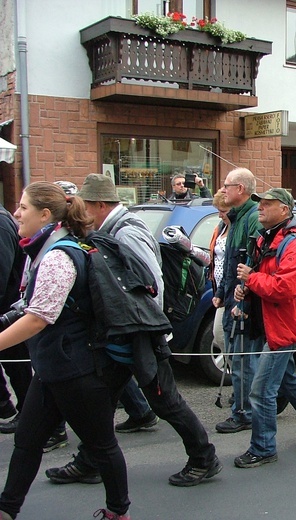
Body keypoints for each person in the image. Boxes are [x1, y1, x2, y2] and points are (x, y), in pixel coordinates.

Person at [46, 173, 221, 488]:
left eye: (83, 207)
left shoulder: (127, 233)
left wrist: (150, 334)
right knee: (101, 401)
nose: (80, 214)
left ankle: (204, 458)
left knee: (166, 401)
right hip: (121, 335)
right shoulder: (111, 229)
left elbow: (152, 284)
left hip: (141, 335)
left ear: (99, 205)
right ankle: (90, 462)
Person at [0, 182, 130, 520]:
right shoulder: (43, 250)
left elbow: (38, 318)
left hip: (78, 373)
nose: (16, 213)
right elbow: (29, 304)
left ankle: (119, 513)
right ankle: (7, 509)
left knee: (102, 447)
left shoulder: (58, 255)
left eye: (23, 207)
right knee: (27, 442)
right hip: (53, 368)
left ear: (45, 214)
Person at [233, 188, 296, 468]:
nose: (261, 208)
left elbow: (286, 287)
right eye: (260, 204)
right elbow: (260, 280)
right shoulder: (264, 240)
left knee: (262, 389)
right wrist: (244, 292)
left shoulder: (294, 246)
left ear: (285, 210)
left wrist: (252, 279)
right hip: (266, 325)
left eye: (268, 204)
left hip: (284, 328)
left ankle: (263, 448)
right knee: (287, 381)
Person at [213, 168, 262, 434]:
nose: (222, 190)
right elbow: (229, 261)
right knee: (241, 357)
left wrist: (241, 299)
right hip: (233, 297)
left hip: (244, 302)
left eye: (226, 185)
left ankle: (244, 412)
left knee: (244, 360)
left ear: (240, 189)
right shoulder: (235, 217)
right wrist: (222, 291)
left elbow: (252, 262)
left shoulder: (252, 217)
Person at [0, 203, 32, 437]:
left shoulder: (1, 223)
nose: (18, 214)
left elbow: (2, 270)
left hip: (9, 308)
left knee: (17, 364)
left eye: (24, 207)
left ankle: (26, 411)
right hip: (10, 307)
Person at [208, 190, 232, 354]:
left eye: (222, 211)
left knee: (220, 334)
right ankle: (236, 370)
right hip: (220, 290)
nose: (219, 215)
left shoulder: (237, 229)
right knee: (218, 335)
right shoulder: (222, 227)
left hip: (231, 290)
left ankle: (239, 372)